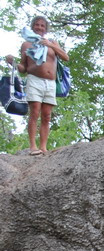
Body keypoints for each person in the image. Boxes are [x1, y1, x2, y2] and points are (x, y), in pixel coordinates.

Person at [4, 16, 69, 156]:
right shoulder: (27, 44)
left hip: (50, 82)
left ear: (46, 29)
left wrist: (50, 45)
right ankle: (33, 147)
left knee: (46, 116)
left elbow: (65, 57)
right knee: (34, 112)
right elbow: (24, 68)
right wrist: (13, 63)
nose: (39, 28)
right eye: (37, 25)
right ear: (33, 27)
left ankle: (44, 147)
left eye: (42, 26)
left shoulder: (52, 42)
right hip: (34, 80)